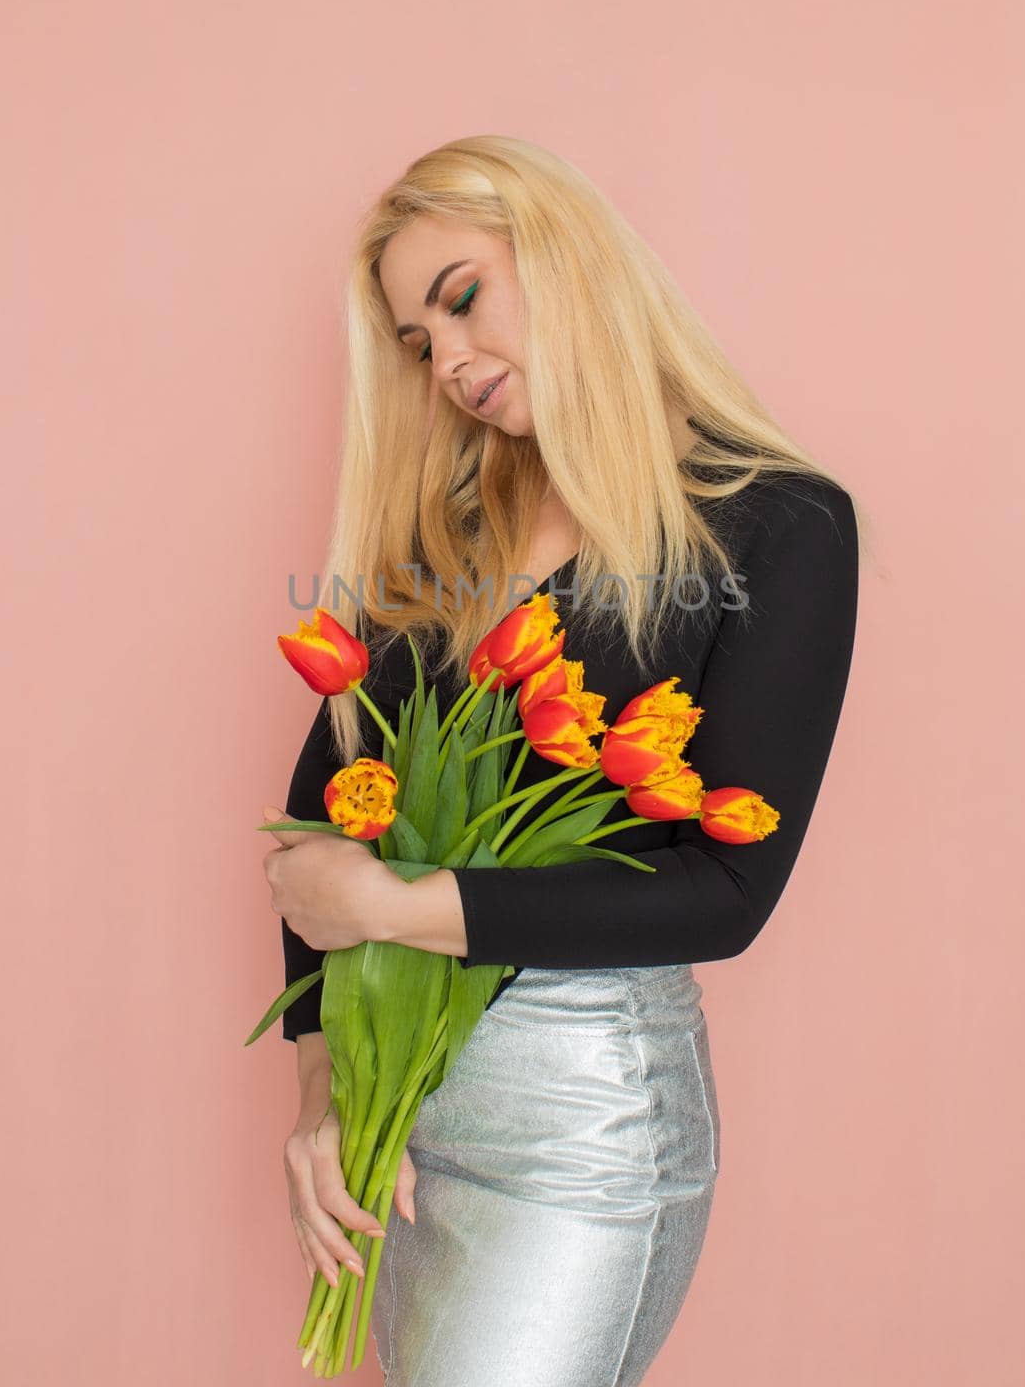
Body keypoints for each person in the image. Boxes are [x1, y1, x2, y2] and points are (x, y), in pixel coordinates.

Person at [262, 134, 861, 1386]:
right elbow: (323, 795)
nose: (453, 362)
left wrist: (395, 904)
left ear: (565, 255)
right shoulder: (452, 536)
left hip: (582, 1133)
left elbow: (724, 889)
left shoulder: (776, 524)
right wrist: (324, 1086)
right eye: (418, 345)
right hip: (406, 1129)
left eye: (463, 295)